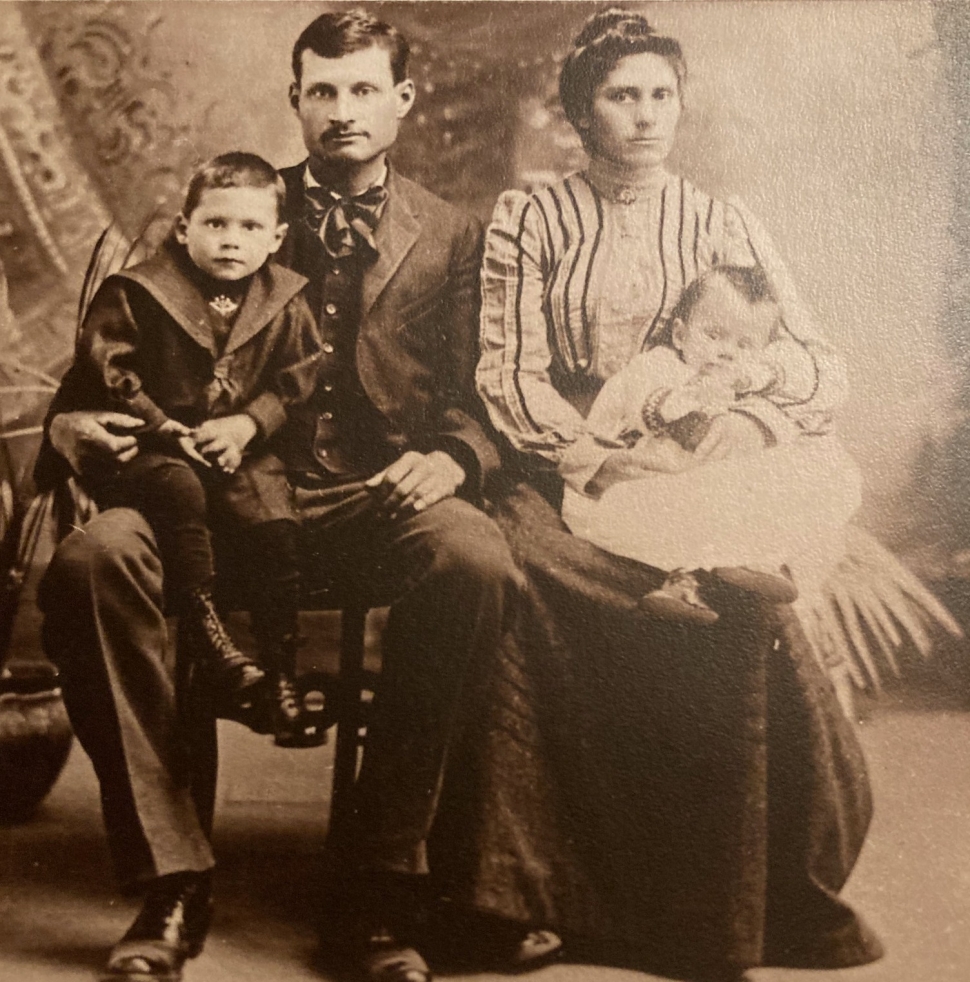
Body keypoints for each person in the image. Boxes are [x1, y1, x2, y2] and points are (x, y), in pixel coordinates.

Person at [34, 10, 520, 982]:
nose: (343, 111)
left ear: (401, 100)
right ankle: (173, 877)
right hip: (204, 494)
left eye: (364, 89)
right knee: (92, 561)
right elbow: (105, 355)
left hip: (364, 495)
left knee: (472, 558)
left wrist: (458, 458)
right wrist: (66, 429)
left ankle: (381, 879)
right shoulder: (229, 201)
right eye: (323, 91)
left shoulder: (455, 237)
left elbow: (486, 389)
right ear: (296, 99)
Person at [444, 9, 883, 982]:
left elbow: (816, 361)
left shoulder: (724, 222)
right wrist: (591, 455)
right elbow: (505, 371)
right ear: (580, 111)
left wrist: (748, 419)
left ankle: (719, 906)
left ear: (679, 106)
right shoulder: (531, 215)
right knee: (530, 581)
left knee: (731, 600)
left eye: (659, 96)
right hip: (568, 464)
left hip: (704, 468)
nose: (643, 117)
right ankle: (532, 892)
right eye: (619, 96)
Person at [67, 151, 325, 747]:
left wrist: (250, 426)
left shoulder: (286, 297)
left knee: (273, 514)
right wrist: (163, 427)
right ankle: (210, 632)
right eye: (216, 224)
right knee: (178, 487)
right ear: (185, 229)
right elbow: (110, 371)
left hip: (234, 449)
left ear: (276, 238)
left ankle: (281, 672)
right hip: (151, 446)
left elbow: (300, 376)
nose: (231, 240)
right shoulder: (140, 291)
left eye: (250, 227)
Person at [561, 264, 863, 623]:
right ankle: (683, 578)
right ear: (680, 334)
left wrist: (749, 413)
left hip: (695, 493)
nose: (726, 352)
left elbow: (784, 430)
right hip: (628, 490)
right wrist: (694, 397)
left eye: (744, 344)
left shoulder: (744, 389)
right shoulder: (657, 368)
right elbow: (652, 412)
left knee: (795, 480)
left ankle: (740, 562)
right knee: (694, 498)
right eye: (714, 335)